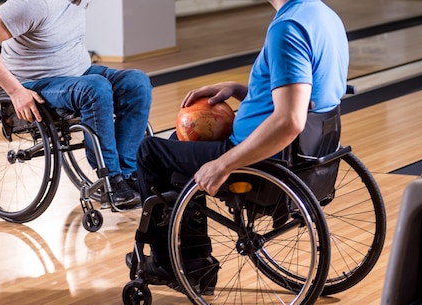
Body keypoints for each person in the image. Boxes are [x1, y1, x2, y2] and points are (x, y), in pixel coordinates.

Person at [132, 0, 349, 283]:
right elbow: (305, 97)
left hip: (265, 159)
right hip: (307, 151)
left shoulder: (288, 27)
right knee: (177, 143)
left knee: (150, 152)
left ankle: (171, 265)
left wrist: (223, 164)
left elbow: (290, 120)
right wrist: (241, 90)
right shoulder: (322, 14)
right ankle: (195, 261)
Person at [0, 0, 152, 208]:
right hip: (38, 83)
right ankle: (112, 180)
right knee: (95, 89)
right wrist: (15, 91)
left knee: (137, 82)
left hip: (80, 74)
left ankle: (128, 173)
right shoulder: (33, 4)